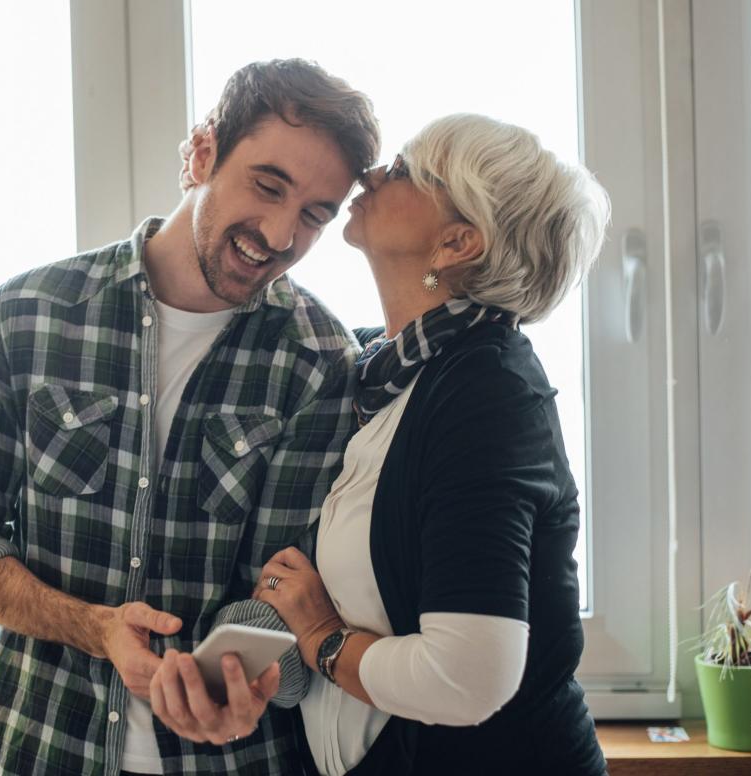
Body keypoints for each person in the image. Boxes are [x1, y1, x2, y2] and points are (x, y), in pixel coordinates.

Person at [0, 59, 379, 775]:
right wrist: (92, 627)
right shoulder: (23, 318)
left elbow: (286, 592)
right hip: (46, 752)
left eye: (315, 214)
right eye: (267, 186)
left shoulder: (320, 362)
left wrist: (248, 681)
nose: (281, 233)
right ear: (202, 153)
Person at [240, 114, 610, 775]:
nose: (373, 173)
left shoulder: (487, 394)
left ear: (456, 242)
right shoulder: (387, 376)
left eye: (406, 169)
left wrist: (321, 637)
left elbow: (464, 679)